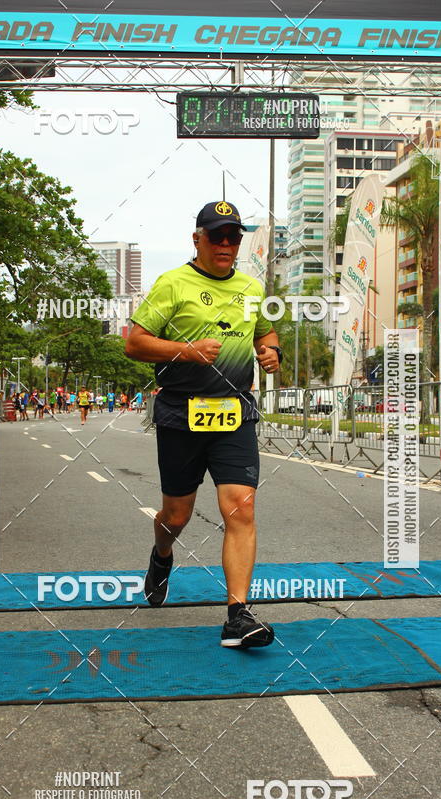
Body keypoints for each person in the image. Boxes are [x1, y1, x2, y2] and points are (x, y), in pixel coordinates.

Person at [125, 200, 282, 649]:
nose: (227, 245)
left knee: (241, 507)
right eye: (218, 236)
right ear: (198, 239)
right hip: (181, 414)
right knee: (177, 515)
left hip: (234, 413)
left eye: (234, 237)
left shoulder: (253, 287)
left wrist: (272, 354)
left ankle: (238, 615)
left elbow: (265, 334)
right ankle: (162, 554)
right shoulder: (172, 283)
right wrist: (186, 350)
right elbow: (134, 343)